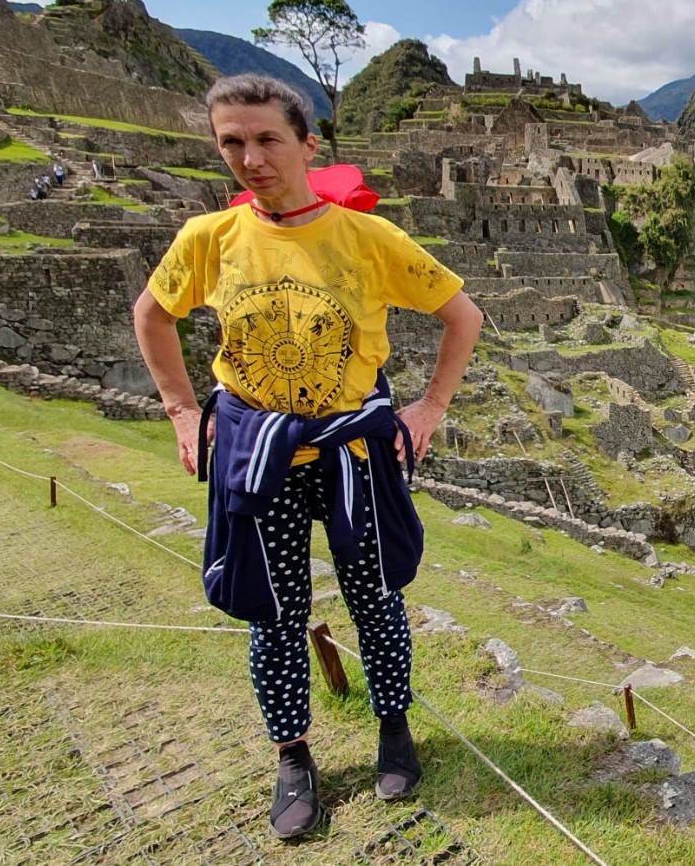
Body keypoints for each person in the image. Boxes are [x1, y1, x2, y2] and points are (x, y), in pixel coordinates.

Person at [131, 73, 483, 840]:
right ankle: (293, 754)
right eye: (232, 142)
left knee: (377, 598)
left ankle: (394, 726)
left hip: (352, 450)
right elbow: (151, 314)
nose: (250, 157)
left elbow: (463, 313)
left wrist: (428, 409)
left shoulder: (366, 239)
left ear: (306, 144)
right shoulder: (209, 239)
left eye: (266, 139)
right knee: (273, 613)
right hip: (257, 454)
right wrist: (183, 410)